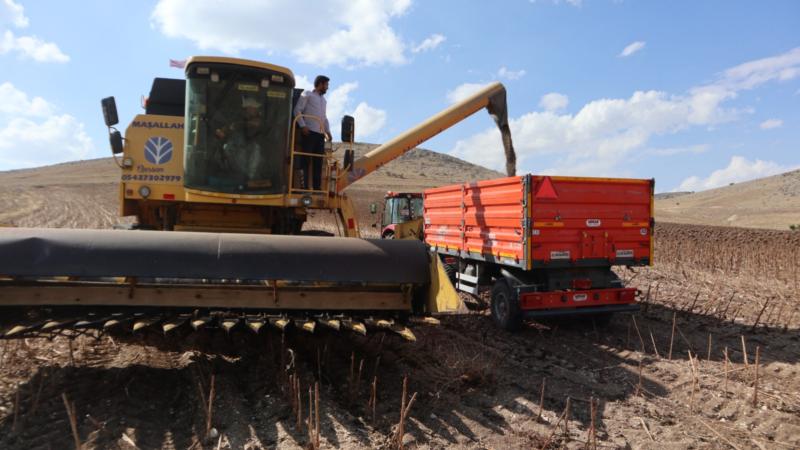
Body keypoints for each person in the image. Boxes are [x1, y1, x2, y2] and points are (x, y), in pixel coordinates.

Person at [294, 75, 332, 190]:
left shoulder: (324, 101)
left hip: (320, 135)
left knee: (318, 162)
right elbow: (297, 110)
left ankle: (317, 187)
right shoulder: (307, 94)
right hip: (309, 132)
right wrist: (303, 126)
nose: (327, 88)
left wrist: (328, 132)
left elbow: (324, 117)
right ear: (320, 84)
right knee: (305, 161)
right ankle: (304, 187)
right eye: (326, 85)